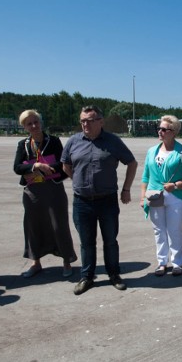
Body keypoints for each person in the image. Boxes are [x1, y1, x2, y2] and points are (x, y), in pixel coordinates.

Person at [61, 105, 138, 295]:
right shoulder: (73, 141)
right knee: (86, 242)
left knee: (110, 240)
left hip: (107, 201)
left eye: (89, 120)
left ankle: (114, 275)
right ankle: (86, 277)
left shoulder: (113, 141)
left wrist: (126, 189)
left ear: (100, 122)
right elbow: (66, 166)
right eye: (82, 121)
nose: (85, 124)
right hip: (82, 202)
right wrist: (80, 182)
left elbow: (132, 163)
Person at [13, 109, 77, 278]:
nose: (34, 126)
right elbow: (17, 167)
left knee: (59, 225)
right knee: (33, 226)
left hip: (53, 189)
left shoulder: (54, 141)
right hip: (33, 192)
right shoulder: (23, 145)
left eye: (36, 122)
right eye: (29, 123)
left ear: (41, 122)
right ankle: (36, 262)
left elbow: (62, 162)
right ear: (24, 127)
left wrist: (42, 168)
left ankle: (66, 261)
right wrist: (35, 167)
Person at [140, 115, 182, 276]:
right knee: (158, 230)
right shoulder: (152, 151)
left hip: (176, 196)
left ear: (174, 132)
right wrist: (142, 196)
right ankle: (162, 262)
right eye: (159, 128)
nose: (160, 131)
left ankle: (177, 262)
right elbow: (145, 176)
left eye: (164, 129)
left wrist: (176, 185)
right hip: (154, 195)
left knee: (174, 230)